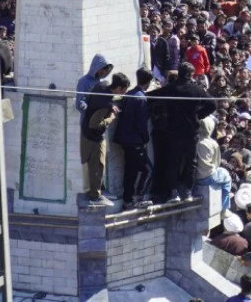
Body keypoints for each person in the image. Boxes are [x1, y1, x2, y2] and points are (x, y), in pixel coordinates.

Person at [150, 62, 216, 203]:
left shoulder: (171, 88)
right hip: (191, 132)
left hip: (173, 131)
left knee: (173, 161)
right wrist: (199, 115)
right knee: (190, 162)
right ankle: (187, 191)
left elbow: (151, 96)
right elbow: (213, 104)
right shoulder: (196, 90)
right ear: (190, 74)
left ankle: (173, 192)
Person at [80, 74, 127, 206]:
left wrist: (111, 105)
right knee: (98, 165)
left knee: (92, 165)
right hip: (94, 138)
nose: (124, 93)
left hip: (85, 133)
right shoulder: (104, 104)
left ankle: (94, 192)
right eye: (124, 90)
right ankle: (95, 195)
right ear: (118, 88)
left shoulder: (102, 85)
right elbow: (94, 124)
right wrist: (111, 118)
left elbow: (92, 98)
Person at [114, 67, 154, 210]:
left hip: (124, 140)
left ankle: (128, 200)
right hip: (135, 141)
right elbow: (141, 123)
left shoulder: (129, 94)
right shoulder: (141, 98)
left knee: (130, 171)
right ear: (148, 82)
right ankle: (138, 198)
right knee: (148, 170)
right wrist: (145, 139)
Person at [194, 113, 232, 211]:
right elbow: (217, 162)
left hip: (193, 176)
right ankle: (223, 209)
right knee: (226, 177)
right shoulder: (213, 143)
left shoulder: (194, 140)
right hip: (207, 177)